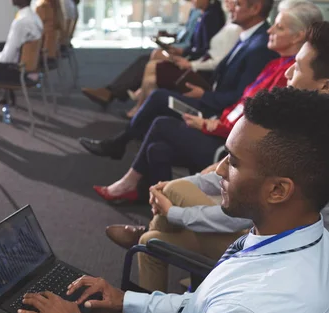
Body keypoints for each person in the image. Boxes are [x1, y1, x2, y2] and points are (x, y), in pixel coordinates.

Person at [0, 87, 329, 313]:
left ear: (278, 190)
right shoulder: (305, 242)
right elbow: (206, 307)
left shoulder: (254, 307)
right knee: (70, 305)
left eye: (234, 162)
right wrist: (126, 300)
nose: (220, 171)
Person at [107, 20, 329, 293]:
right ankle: (154, 300)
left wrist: (175, 212)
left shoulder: (306, 143)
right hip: (263, 234)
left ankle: (156, 240)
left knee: (169, 199)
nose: (288, 73)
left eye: (297, 67)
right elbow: (238, 179)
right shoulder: (300, 123)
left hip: (269, 251)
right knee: (153, 229)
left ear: (325, 86)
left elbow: (247, 211)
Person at [92, 0, 321, 204]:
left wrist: (212, 123)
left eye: (279, 27)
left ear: (298, 36)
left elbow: (256, 122)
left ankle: (136, 184)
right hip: (225, 126)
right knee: (157, 148)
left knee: (162, 121)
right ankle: (160, 210)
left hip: (231, 143)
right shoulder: (275, 64)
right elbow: (244, 105)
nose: (271, 29)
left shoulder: (281, 69)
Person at [79, 0, 277, 160]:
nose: (231, 7)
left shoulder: (258, 45)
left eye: (237, 3)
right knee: (158, 123)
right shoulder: (249, 37)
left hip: (217, 109)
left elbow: (241, 97)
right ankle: (126, 150)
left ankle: (120, 141)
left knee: (158, 98)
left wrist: (205, 94)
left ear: (256, 8)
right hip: (211, 95)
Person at [124, 0, 241, 119]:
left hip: (200, 71)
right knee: (152, 72)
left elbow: (208, 53)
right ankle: (140, 109)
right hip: (197, 62)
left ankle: (140, 109)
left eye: (236, 3)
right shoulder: (223, 21)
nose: (229, 4)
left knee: (153, 67)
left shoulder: (215, 17)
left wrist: (190, 63)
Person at [81, 2, 203, 107]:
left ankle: (118, 94)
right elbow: (187, 36)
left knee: (150, 61)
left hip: (187, 59)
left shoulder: (206, 16)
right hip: (181, 51)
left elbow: (198, 46)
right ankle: (115, 92)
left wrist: (181, 51)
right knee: (144, 60)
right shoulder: (195, 12)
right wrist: (169, 36)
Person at [0, 0, 43, 89]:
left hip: (17, 71)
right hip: (27, 67)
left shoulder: (21, 22)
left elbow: (7, 58)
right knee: (0, 46)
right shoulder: (35, 17)